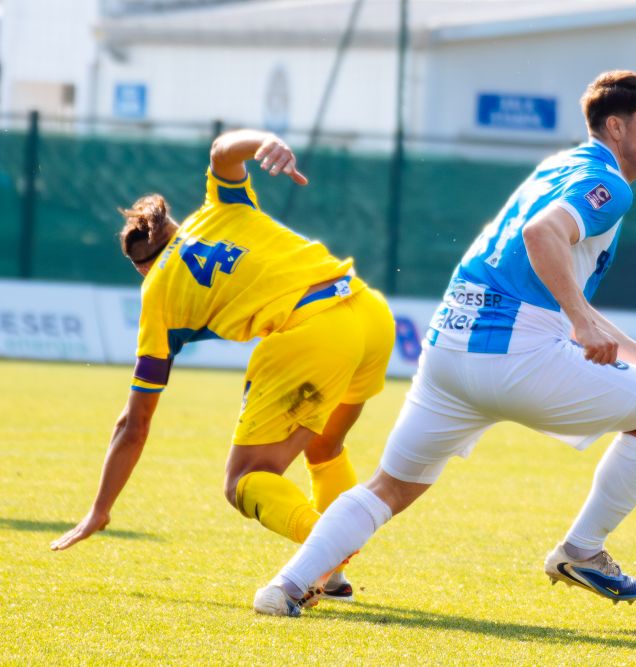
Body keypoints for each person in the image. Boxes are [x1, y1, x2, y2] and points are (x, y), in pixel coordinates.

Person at [254, 70, 636, 617]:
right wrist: (582, 322)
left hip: (449, 350)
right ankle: (581, 551)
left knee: (389, 488)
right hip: (515, 354)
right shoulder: (609, 186)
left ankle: (284, 588)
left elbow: (553, 281)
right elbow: (542, 236)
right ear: (616, 128)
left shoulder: (560, 166)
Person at [50, 129, 396, 603]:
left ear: (140, 266)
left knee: (244, 480)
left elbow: (134, 424)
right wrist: (265, 142)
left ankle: (326, 548)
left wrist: (100, 509)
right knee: (324, 446)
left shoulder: (156, 293)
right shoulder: (217, 207)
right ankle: (333, 579)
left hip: (314, 331)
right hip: (368, 310)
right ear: (173, 226)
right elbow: (221, 151)